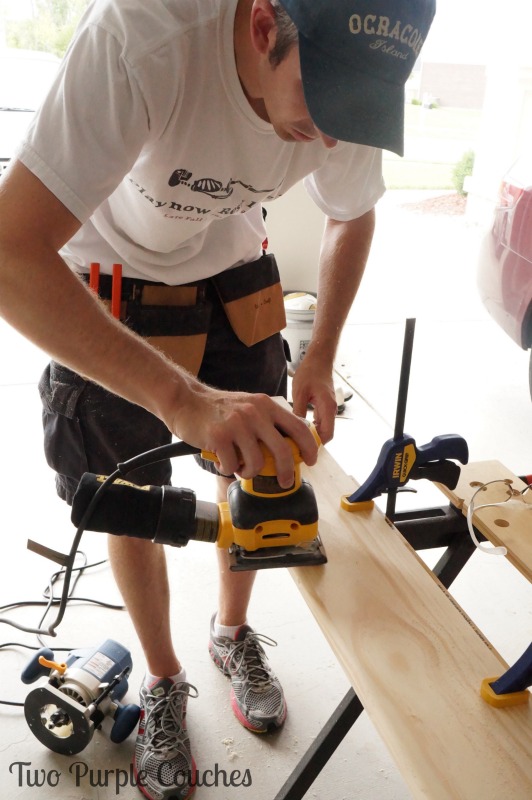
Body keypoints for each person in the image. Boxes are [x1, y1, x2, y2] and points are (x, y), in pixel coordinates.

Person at [0, 0, 435, 797]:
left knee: (256, 462)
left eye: (362, 105)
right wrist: (179, 397)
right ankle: (163, 679)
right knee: (131, 494)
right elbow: (9, 255)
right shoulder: (143, 38)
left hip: (235, 269)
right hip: (111, 279)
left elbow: (353, 213)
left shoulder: (342, 79)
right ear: (265, 26)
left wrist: (321, 352)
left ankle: (231, 632)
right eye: (328, 101)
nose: (337, 136)